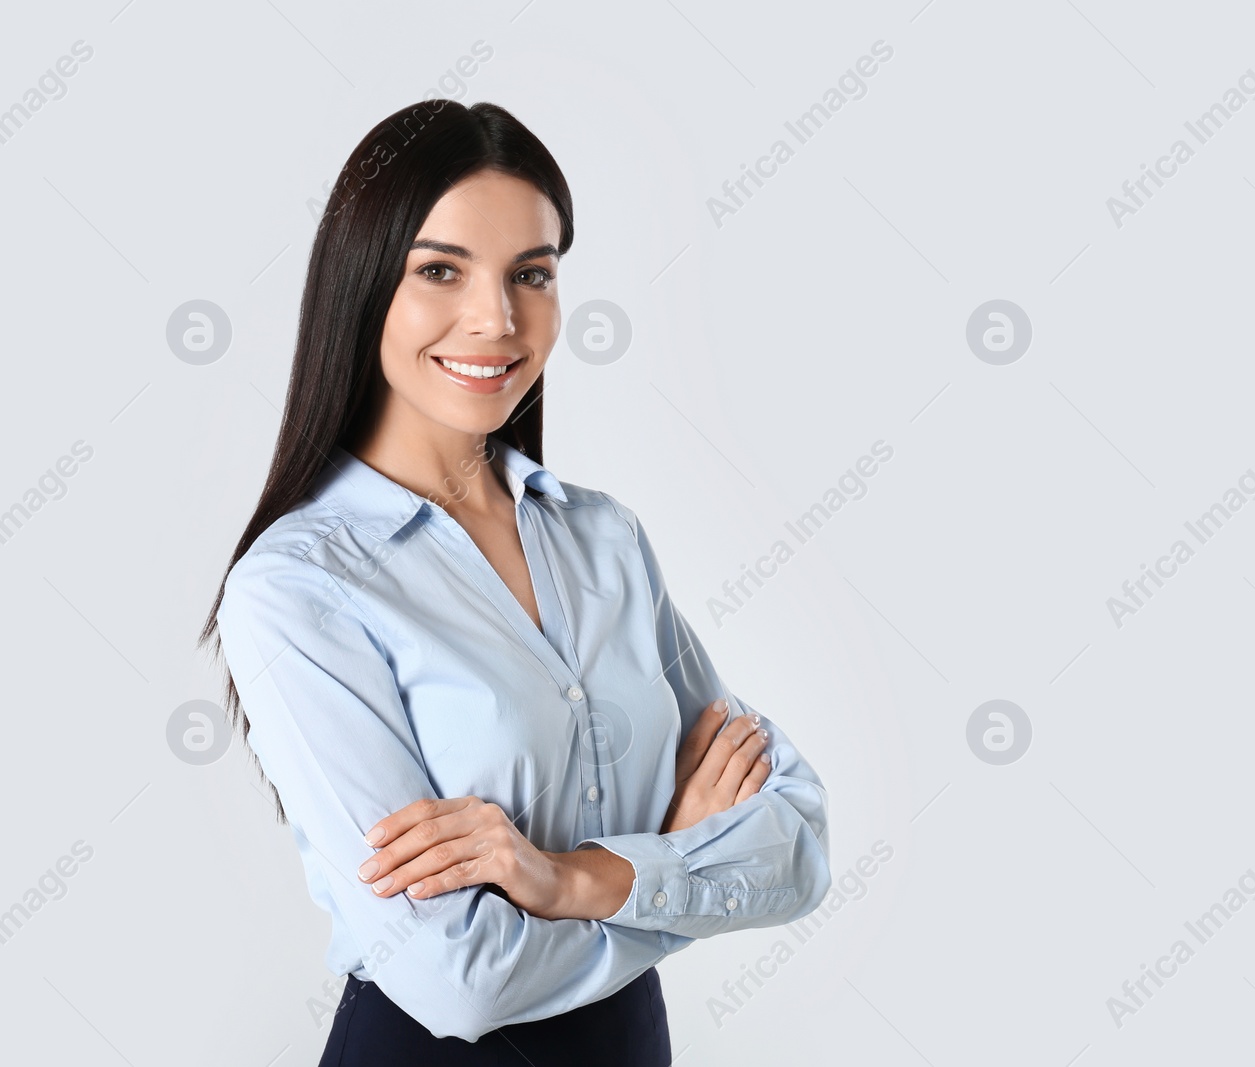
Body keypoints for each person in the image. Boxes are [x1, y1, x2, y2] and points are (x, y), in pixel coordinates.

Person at [196, 99, 831, 1066]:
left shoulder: (604, 541)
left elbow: (796, 843)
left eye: (531, 274)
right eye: (441, 270)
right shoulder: (298, 588)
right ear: (364, 285)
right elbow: (458, 976)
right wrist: (675, 873)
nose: (496, 320)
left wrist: (574, 879)